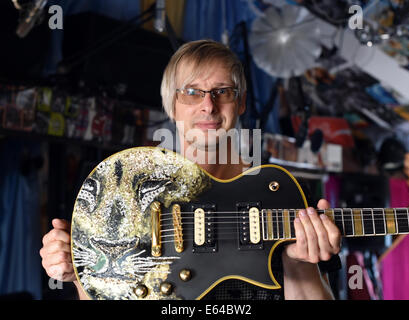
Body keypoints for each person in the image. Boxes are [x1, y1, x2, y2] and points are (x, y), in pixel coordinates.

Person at [40, 39, 342, 300]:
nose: (208, 106)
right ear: (171, 105)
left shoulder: (286, 192)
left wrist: (300, 265)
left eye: (222, 91)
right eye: (192, 92)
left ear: (241, 103)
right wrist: (79, 273)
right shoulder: (126, 186)